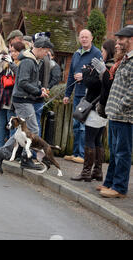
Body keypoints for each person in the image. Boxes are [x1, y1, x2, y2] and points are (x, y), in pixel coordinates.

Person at [0, 37, 53, 173]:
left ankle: (0, 155)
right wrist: (38, 91)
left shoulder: (31, 60)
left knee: (22, 132)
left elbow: (26, 79)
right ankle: (26, 159)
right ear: (41, 49)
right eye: (46, 51)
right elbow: (23, 82)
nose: (47, 54)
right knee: (33, 130)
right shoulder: (28, 61)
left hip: (23, 99)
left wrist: (40, 88)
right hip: (22, 99)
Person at [70, 39, 115, 183]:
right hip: (102, 109)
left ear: (108, 51)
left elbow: (93, 84)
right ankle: (97, 172)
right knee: (97, 140)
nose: (101, 53)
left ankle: (86, 172)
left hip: (96, 108)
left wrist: (85, 73)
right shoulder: (111, 67)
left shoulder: (107, 67)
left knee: (89, 140)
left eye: (103, 50)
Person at [98, 26, 133, 198]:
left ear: (131, 39)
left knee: (122, 153)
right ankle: (109, 182)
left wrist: (120, 106)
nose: (118, 42)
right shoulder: (125, 59)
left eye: (122, 39)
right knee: (113, 151)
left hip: (125, 117)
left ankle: (119, 188)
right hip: (114, 114)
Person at [63, 29, 103, 164]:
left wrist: (84, 75)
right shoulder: (76, 54)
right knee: (75, 125)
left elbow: (99, 75)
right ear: (79, 39)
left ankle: (82, 154)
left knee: (83, 126)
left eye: (86, 37)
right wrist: (67, 94)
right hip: (77, 95)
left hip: (88, 96)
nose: (84, 39)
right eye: (82, 37)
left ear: (91, 38)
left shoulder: (97, 53)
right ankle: (75, 153)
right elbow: (70, 75)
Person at [0, 40, 25, 148]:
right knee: (1, 125)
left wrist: (11, 63)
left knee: (12, 126)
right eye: (11, 51)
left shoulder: (22, 63)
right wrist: (0, 63)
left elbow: (19, 76)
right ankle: (1, 148)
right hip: (1, 98)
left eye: (15, 51)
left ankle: (9, 149)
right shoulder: (6, 62)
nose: (13, 54)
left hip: (12, 100)